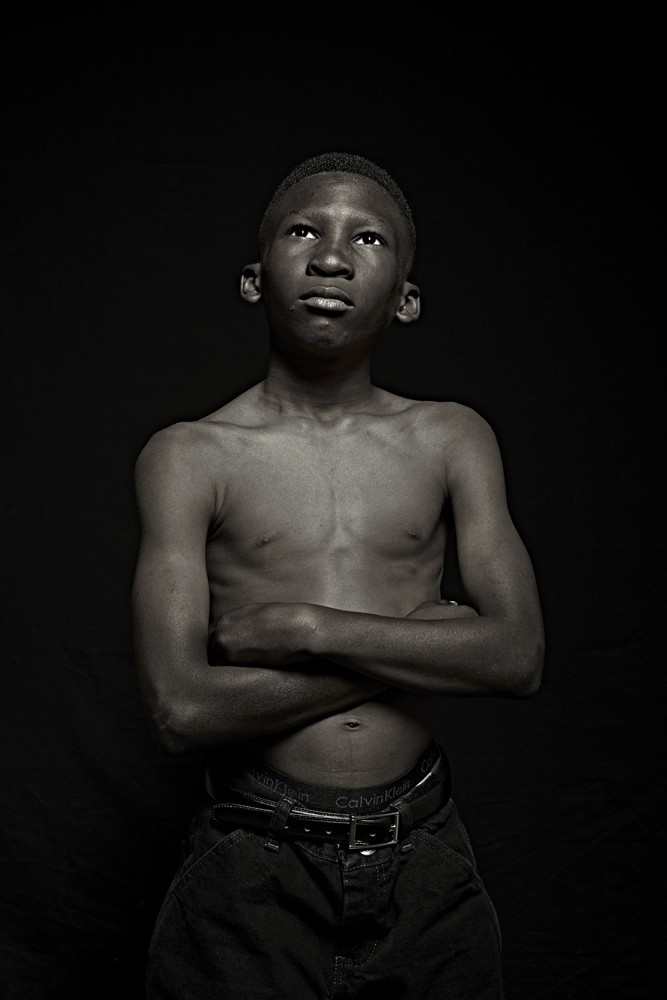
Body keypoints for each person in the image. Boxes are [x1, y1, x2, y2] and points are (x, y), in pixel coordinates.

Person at [133, 152, 544, 999]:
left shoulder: (452, 438)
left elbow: (517, 658)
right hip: (251, 861)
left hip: (423, 857)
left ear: (406, 298)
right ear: (254, 279)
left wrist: (308, 630)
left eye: (367, 239)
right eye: (302, 231)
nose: (330, 257)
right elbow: (182, 709)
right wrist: (427, 646)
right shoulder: (189, 456)